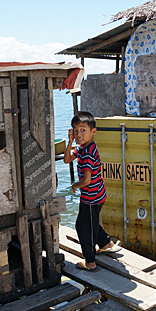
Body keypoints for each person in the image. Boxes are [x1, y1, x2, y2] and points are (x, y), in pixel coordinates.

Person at [64, 111, 121, 272]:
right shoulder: (82, 148)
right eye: (75, 130)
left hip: (91, 197)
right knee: (92, 220)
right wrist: (70, 142)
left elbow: (87, 180)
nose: (78, 134)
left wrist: (76, 185)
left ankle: (90, 262)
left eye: (83, 130)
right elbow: (67, 159)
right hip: (98, 194)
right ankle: (106, 244)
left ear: (93, 132)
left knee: (83, 227)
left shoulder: (88, 153)